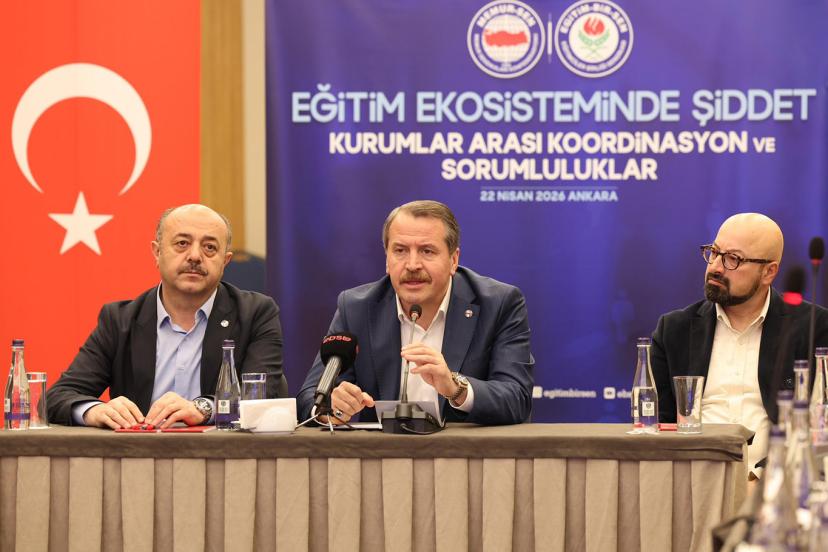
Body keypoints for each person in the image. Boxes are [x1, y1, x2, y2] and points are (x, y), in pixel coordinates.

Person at [46, 204, 285, 429]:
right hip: (139, 454)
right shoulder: (119, 320)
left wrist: (203, 408)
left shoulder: (255, 314)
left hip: (223, 454)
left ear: (225, 261)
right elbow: (59, 396)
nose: (195, 256)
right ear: (157, 252)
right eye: (182, 243)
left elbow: (262, 397)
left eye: (210, 247)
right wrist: (93, 410)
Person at [297, 200, 534, 426]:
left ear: (453, 260)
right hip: (383, 452)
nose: (412, 265)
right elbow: (310, 397)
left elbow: (517, 399)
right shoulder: (356, 308)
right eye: (400, 250)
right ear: (387, 259)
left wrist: (455, 388)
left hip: (466, 452)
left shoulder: (499, 304)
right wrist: (330, 407)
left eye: (427, 251)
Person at [650, 212, 828, 478]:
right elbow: (656, 429)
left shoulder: (814, 328)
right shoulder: (674, 330)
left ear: (768, 272)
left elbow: (819, 428)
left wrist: (763, 481)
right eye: (714, 252)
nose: (716, 267)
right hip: (692, 483)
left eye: (733, 258)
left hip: (776, 485)